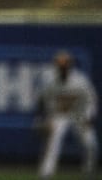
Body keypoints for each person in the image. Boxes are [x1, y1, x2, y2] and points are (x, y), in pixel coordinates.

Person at [35, 50, 98, 180]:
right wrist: (45, 119)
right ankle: (46, 173)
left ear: (69, 65)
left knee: (90, 143)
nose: (62, 68)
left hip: (78, 114)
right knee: (54, 140)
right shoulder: (50, 80)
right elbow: (42, 100)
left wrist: (89, 116)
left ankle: (89, 171)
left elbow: (92, 99)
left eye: (64, 65)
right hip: (60, 115)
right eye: (59, 65)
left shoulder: (80, 80)